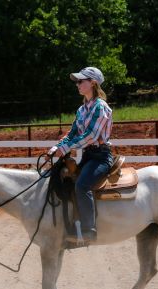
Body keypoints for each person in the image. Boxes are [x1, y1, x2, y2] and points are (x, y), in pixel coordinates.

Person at [47, 66, 113, 244]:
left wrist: (66, 147)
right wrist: (57, 147)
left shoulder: (100, 107)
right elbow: (73, 133)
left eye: (81, 81)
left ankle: (89, 230)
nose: (77, 84)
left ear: (92, 83)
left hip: (101, 157)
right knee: (67, 181)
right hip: (88, 157)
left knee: (82, 186)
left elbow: (91, 135)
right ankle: (71, 225)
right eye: (77, 81)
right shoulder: (82, 109)